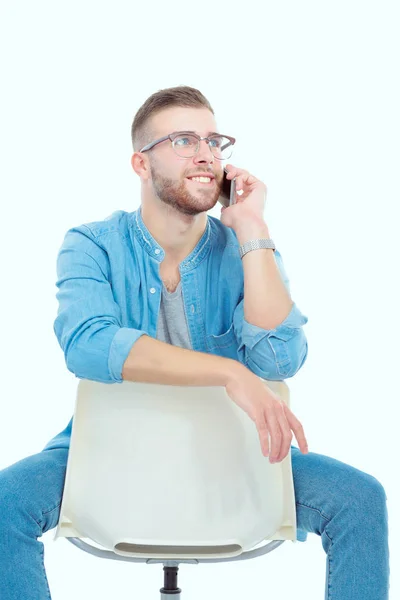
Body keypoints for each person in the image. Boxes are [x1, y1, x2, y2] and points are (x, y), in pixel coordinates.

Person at [0, 85, 389, 599]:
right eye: (184, 140)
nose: (206, 154)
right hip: (109, 451)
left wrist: (252, 229)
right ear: (141, 163)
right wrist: (229, 372)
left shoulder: (247, 251)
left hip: (235, 455)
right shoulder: (92, 243)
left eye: (214, 141)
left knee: (360, 498)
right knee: (6, 503)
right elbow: (88, 344)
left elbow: (280, 357)